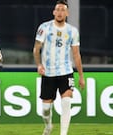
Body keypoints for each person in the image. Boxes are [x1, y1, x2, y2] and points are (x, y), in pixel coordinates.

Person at [33, 0, 85, 135]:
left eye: (63, 10)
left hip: (66, 72)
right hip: (48, 72)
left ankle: (63, 133)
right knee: (45, 109)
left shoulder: (72, 31)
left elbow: (76, 54)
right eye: (58, 9)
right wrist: (39, 65)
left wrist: (81, 76)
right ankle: (48, 125)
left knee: (66, 102)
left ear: (67, 13)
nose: (60, 12)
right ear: (54, 12)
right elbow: (36, 49)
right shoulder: (44, 27)